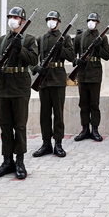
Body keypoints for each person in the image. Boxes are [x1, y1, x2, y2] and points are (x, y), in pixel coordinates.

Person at [0, 7, 38, 180]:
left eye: (16, 17)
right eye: (10, 17)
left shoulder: (29, 39)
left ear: (23, 21)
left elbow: (33, 60)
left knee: (20, 125)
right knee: (5, 126)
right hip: (3, 86)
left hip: (20, 86)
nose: (13, 19)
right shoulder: (0, 40)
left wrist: (20, 48)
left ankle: (20, 161)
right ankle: (7, 161)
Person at [31, 11, 75, 158]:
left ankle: (58, 144)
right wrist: (35, 68)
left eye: (54, 19)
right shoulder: (41, 39)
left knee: (58, 114)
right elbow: (32, 58)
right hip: (44, 80)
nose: (51, 21)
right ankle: (46, 144)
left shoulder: (66, 38)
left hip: (57, 79)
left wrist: (61, 47)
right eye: (49, 19)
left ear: (59, 22)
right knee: (44, 115)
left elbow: (71, 57)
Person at [73, 12, 109, 142]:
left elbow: (107, 55)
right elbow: (71, 53)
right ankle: (84, 129)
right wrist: (76, 61)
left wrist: (98, 46)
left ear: (98, 23)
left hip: (95, 74)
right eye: (89, 20)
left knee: (94, 103)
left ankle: (95, 129)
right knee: (83, 103)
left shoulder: (103, 38)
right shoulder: (80, 37)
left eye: (94, 20)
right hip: (82, 73)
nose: (91, 22)